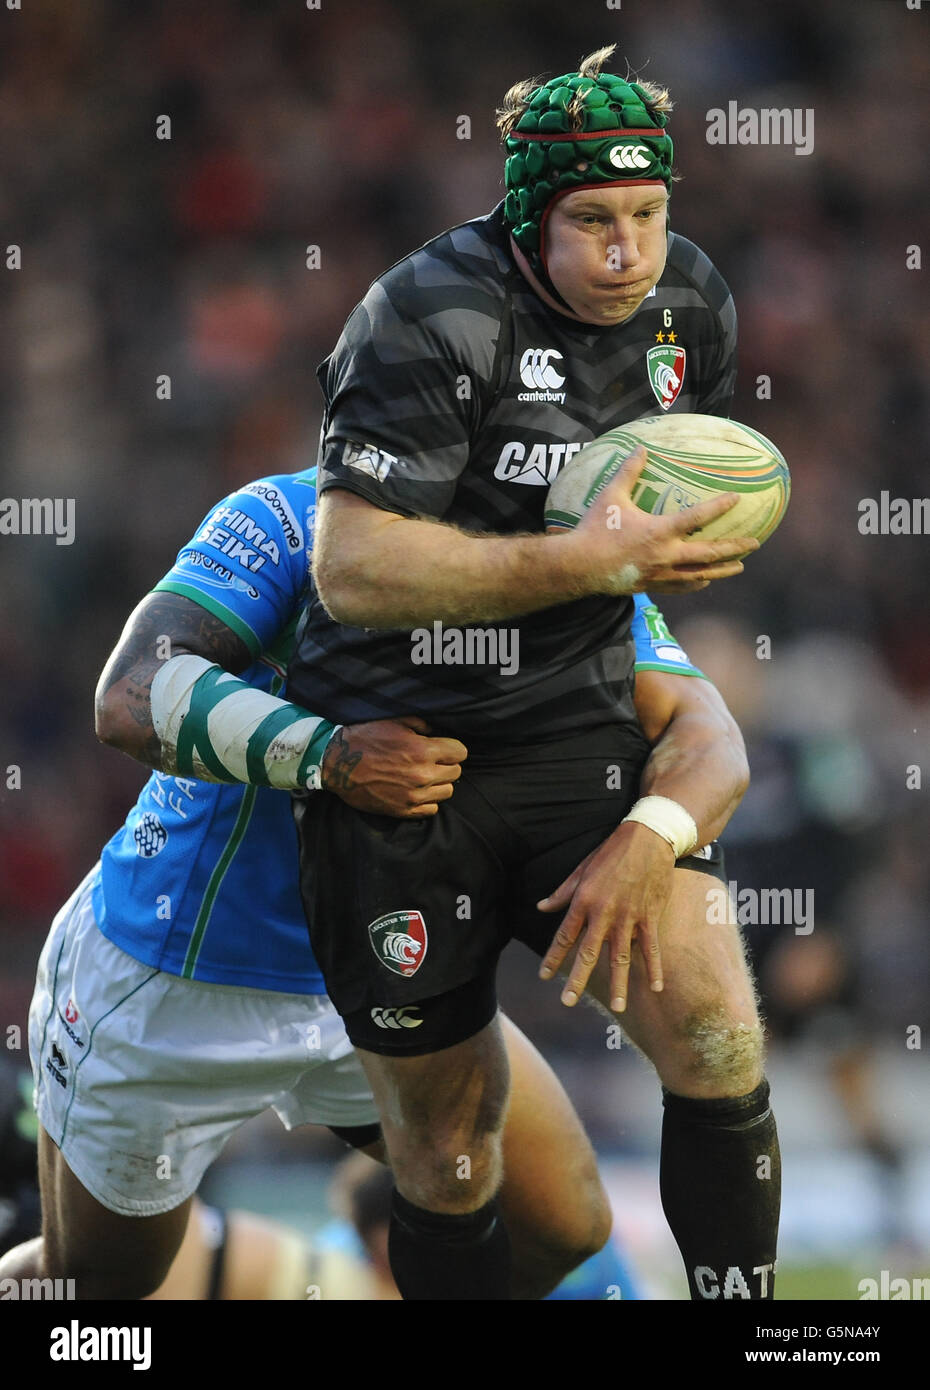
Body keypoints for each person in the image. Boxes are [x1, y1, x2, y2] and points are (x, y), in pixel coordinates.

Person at [277, 45, 780, 1300]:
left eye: (649, 216)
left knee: (718, 1033)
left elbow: (663, 503)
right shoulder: (423, 313)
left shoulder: (694, 307)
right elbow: (353, 569)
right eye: (593, 222)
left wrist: (674, 557)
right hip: (403, 760)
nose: (629, 252)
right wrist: (577, 561)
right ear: (526, 217)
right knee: (448, 1154)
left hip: (576, 725)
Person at [0, 463, 692, 1301]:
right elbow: (128, 700)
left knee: (561, 1228)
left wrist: (653, 835)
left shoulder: (575, 551)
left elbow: (701, 727)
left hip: (378, 974)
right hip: (171, 976)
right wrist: (329, 757)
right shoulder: (289, 519)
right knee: (92, 1292)